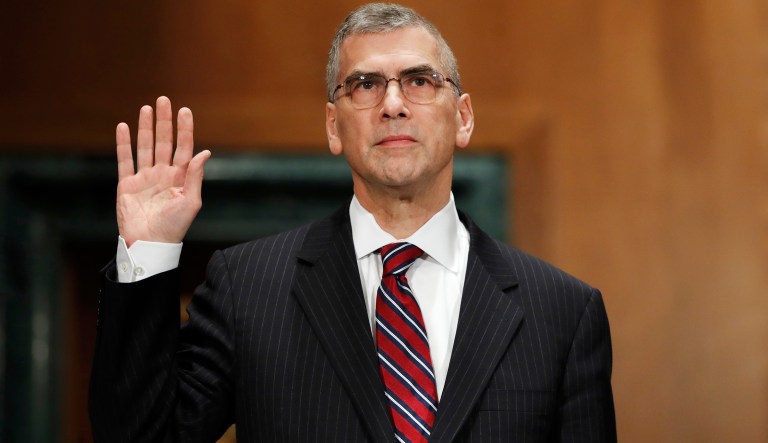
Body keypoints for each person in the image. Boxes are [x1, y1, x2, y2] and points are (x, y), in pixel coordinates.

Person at [89, 3, 616, 442]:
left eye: (419, 81)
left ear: (463, 117)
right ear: (332, 126)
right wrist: (150, 253)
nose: (392, 104)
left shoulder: (564, 313)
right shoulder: (247, 288)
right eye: (364, 84)